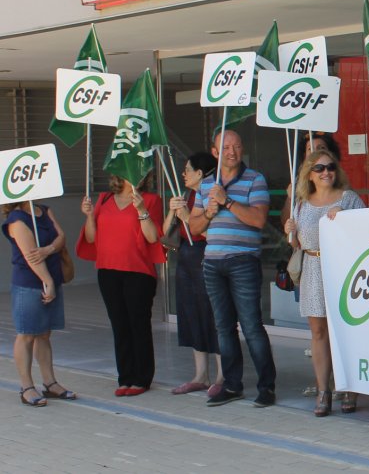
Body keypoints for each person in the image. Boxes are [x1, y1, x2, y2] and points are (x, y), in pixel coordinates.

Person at [188, 129, 277, 408]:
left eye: (237, 146)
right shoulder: (205, 186)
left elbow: (259, 219)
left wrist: (227, 201)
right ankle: (232, 385)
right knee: (223, 328)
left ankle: (266, 387)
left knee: (251, 326)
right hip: (213, 262)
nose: (232, 151)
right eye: (225, 147)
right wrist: (209, 212)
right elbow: (194, 227)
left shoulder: (255, 179)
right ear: (215, 153)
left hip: (243, 261)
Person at [284, 150, 364, 416]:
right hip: (313, 268)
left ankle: (350, 388)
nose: (326, 172)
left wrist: (346, 216)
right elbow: (298, 244)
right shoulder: (302, 203)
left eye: (330, 167)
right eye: (319, 168)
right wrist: (290, 232)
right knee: (318, 333)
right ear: (309, 174)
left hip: (343, 269)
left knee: (347, 331)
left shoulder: (348, 198)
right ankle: (323, 390)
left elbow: (368, 232)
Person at [80, 174, 165, 396]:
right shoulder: (104, 199)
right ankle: (125, 377)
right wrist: (89, 216)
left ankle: (142, 378)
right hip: (108, 271)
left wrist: (141, 210)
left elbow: (153, 237)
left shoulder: (150, 199)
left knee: (138, 325)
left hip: (138, 272)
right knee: (119, 325)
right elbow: (91, 238)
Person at [164, 152, 224, 398]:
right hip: (187, 258)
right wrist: (172, 211)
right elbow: (166, 235)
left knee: (213, 315)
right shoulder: (188, 196)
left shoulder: (212, 197)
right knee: (191, 314)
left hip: (208, 256)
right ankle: (200, 375)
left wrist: (188, 217)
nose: (183, 174)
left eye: (188, 169)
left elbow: (213, 233)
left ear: (200, 173)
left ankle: (222, 375)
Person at [3, 200, 74, 407]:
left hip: (51, 279)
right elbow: (31, 255)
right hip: (29, 284)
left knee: (44, 334)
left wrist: (49, 249)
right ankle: (26, 387)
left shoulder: (44, 210)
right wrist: (48, 282)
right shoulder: (15, 220)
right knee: (26, 334)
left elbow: (61, 238)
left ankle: (50, 383)